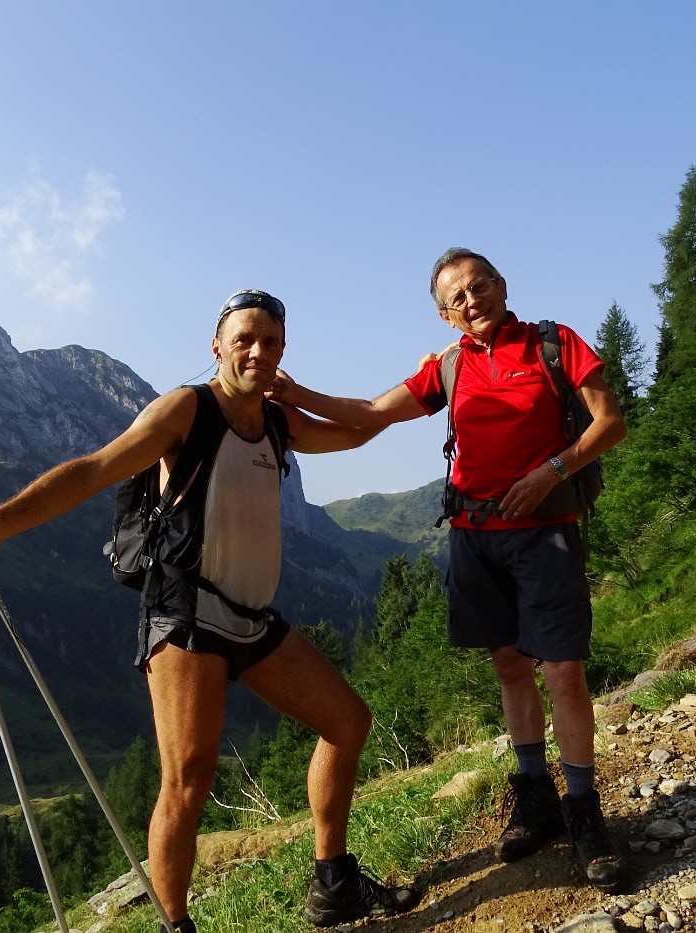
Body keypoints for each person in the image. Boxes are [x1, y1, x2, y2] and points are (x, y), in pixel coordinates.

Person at [0, 289, 419, 932]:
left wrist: (299, 397)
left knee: (347, 723)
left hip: (252, 618)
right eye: (244, 338)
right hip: (186, 615)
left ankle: (333, 885)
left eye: (270, 342)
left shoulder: (277, 422)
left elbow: (360, 432)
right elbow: (93, 470)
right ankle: (174, 925)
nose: (257, 351)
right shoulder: (187, 410)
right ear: (215, 345)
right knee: (186, 783)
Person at [268, 248, 629, 892]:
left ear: (502, 285)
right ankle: (535, 797)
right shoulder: (451, 366)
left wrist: (552, 471)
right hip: (475, 538)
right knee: (511, 669)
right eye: (456, 297)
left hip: (545, 533)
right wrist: (295, 394)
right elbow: (372, 414)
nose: (472, 301)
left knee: (565, 673)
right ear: (444, 315)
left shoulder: (554, 344)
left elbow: (609, 422)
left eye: (480, 286)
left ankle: (584, 812)